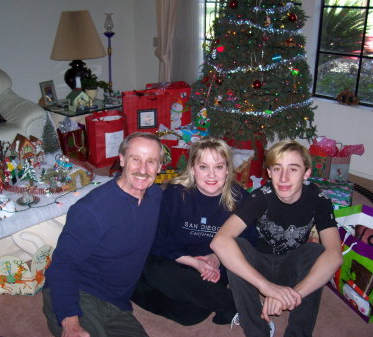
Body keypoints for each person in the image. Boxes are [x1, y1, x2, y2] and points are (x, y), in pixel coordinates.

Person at [210, 140, 343, 337]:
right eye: (277, 169)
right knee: (235, 246)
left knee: (317, 253)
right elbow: (219, 241)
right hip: (259, 265)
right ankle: (257, 331)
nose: (284, 178)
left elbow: (335, 255)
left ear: (306, 173)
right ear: (269, 173)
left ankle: (298, 333)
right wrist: (267, 287)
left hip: (292, 268)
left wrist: (292, 295)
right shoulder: (260, 197)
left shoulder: (320, 200)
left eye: (293, 169)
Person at [42, 132, 164, 337]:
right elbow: (63, 265)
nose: (143, 170)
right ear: (122, 160)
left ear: (160, 167)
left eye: (151, 162)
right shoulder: (91, 210)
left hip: (116, 303)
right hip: (77, 293)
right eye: (136, 159)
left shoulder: (155, 196)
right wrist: (71, 322)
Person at [131, 137, 258, 326]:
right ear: (192, 169)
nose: (211, 175)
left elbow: (250, 242)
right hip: (174, 260)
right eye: (204, 167)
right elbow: (157, 239)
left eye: (219, 167)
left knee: (191, 315)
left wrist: (216, 257)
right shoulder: (174, 193)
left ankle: (130, 284)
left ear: (227, 170)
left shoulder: (240, 199)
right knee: (155, 268)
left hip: (211, 271)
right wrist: (192, 262)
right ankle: (235, 303)